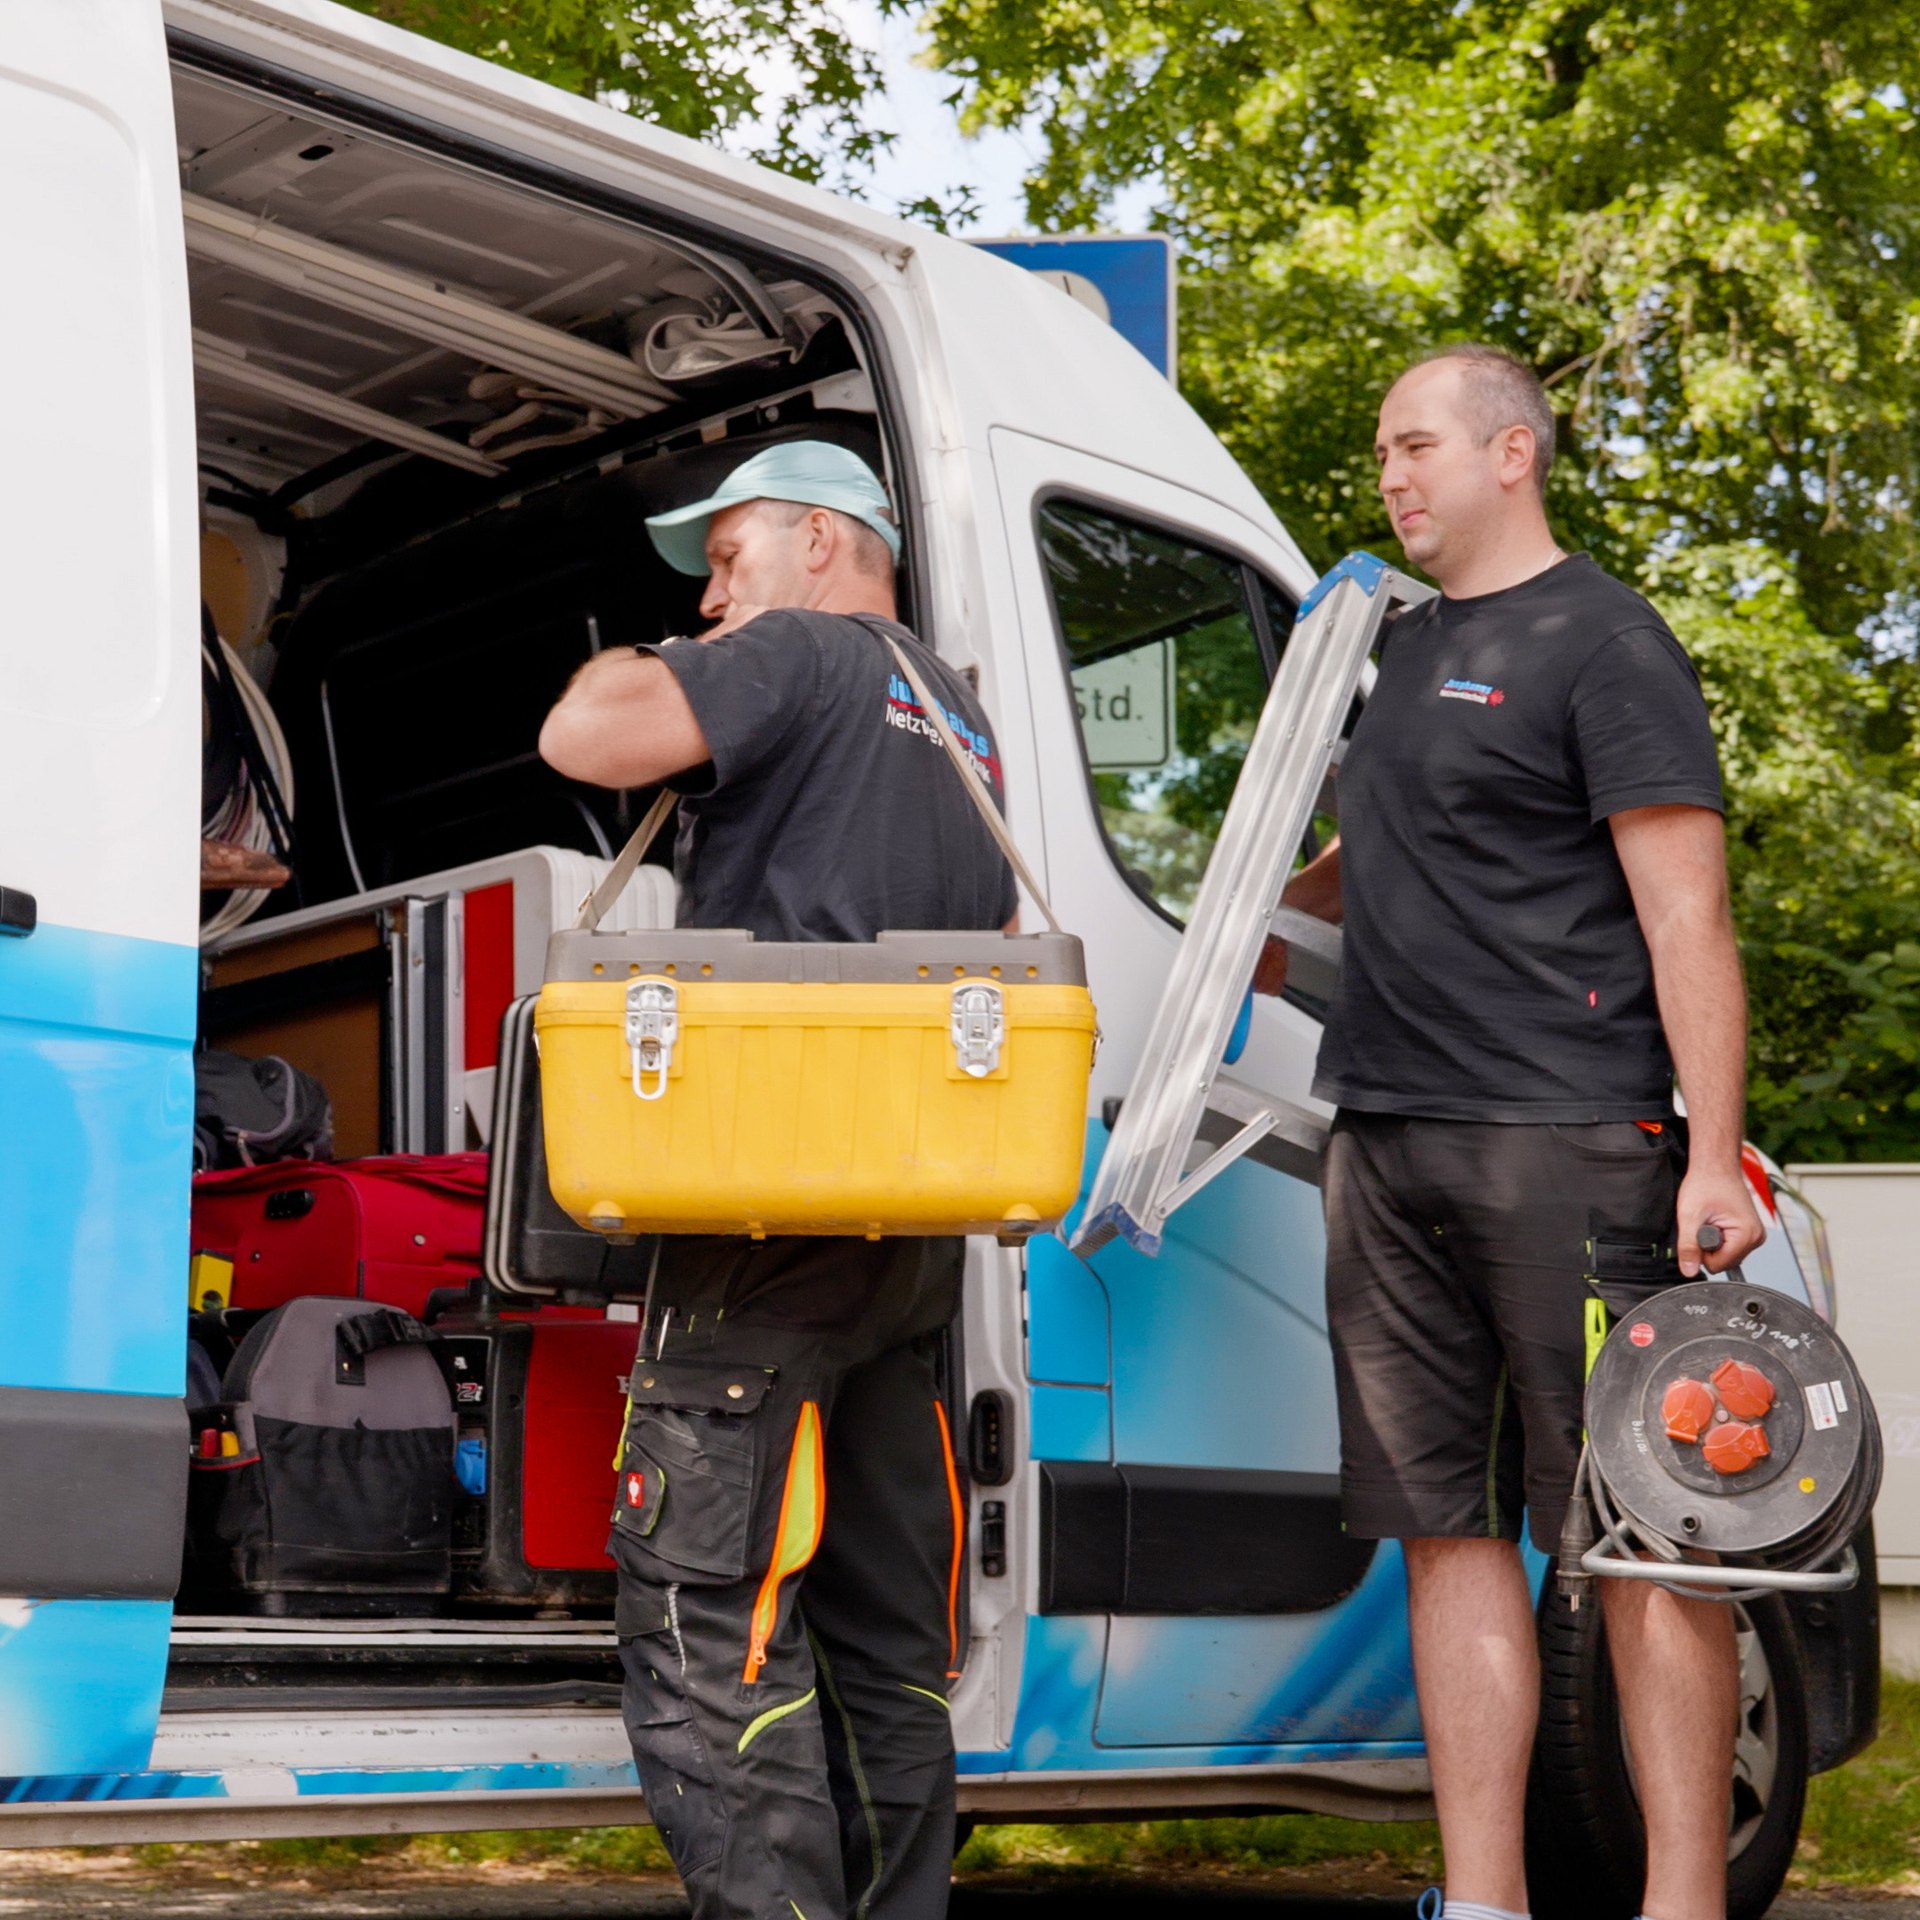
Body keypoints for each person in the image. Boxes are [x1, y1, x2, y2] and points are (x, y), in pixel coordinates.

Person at [1260, 346, 1766, 1920]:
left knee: (1641, 1539)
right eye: (1382, 449)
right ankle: (1485, 1902)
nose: (1390, 474)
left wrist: (1711, 1152)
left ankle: (1681, 1905)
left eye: (1415, 445)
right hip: (1387, 1143)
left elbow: (1688, 915)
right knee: (1444, 1532)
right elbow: (1382, 851)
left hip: (1570, 1144)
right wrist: (1238, 936)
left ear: (1511, 454)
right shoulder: (1406, 649)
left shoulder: (1604, 642)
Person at [538, 440, 1015, 1920]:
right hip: (906, 1233)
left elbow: (585, 738)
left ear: (821, 541)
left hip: (765, 1204)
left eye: (729, 558)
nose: (712, 594)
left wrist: (645, 658)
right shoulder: (953, 711)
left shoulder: (800, 650)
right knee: (883, 1648)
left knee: (710, 1622)